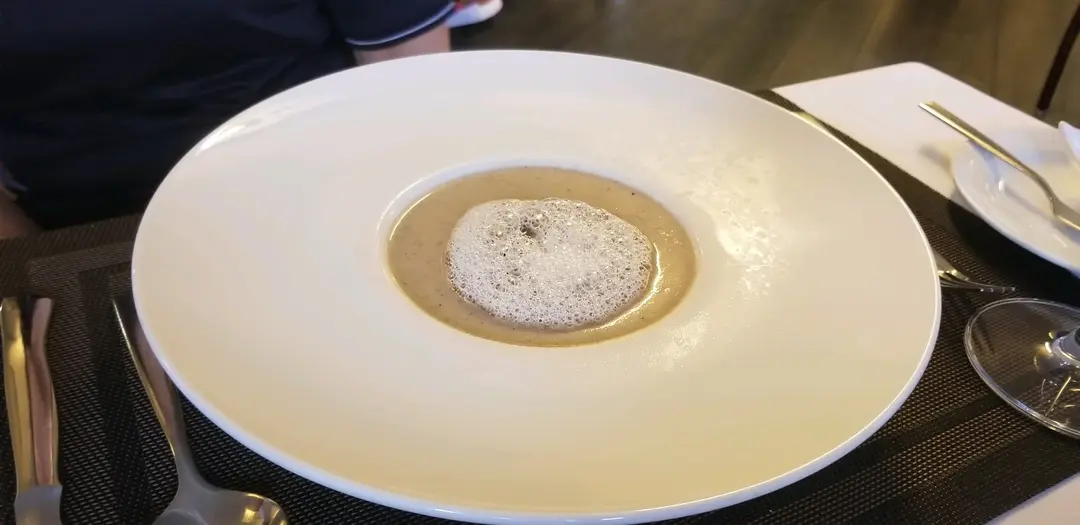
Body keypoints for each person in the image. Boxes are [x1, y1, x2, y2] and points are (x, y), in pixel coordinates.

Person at [0, 0, 498, 238]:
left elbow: (405, 68)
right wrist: (30, 263)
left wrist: (406, 214)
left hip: (320, 183)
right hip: (84, 218)